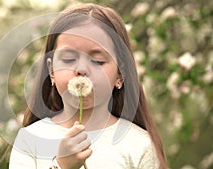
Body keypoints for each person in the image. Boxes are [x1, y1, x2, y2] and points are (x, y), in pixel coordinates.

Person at [9, 3, 168, 169]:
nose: (82, 70)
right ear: (51, 71)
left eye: (97, 61)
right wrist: (62, 166)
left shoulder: (140, 145)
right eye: (69, 59)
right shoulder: (30, 140)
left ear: (120, 74)